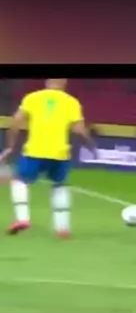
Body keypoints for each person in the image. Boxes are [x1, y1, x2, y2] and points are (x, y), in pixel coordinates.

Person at [0, 79, 96, 237]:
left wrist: (10, 146)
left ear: (47, 82)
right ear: (64, 84)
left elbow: (16, 123)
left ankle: (23, 218)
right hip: (60, 153)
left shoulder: (32, 98)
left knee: (19, 181)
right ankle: (62, 228)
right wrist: (91, 146)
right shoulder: (71, 102)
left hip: (35, 151)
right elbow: (79, 130)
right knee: (59, 186)